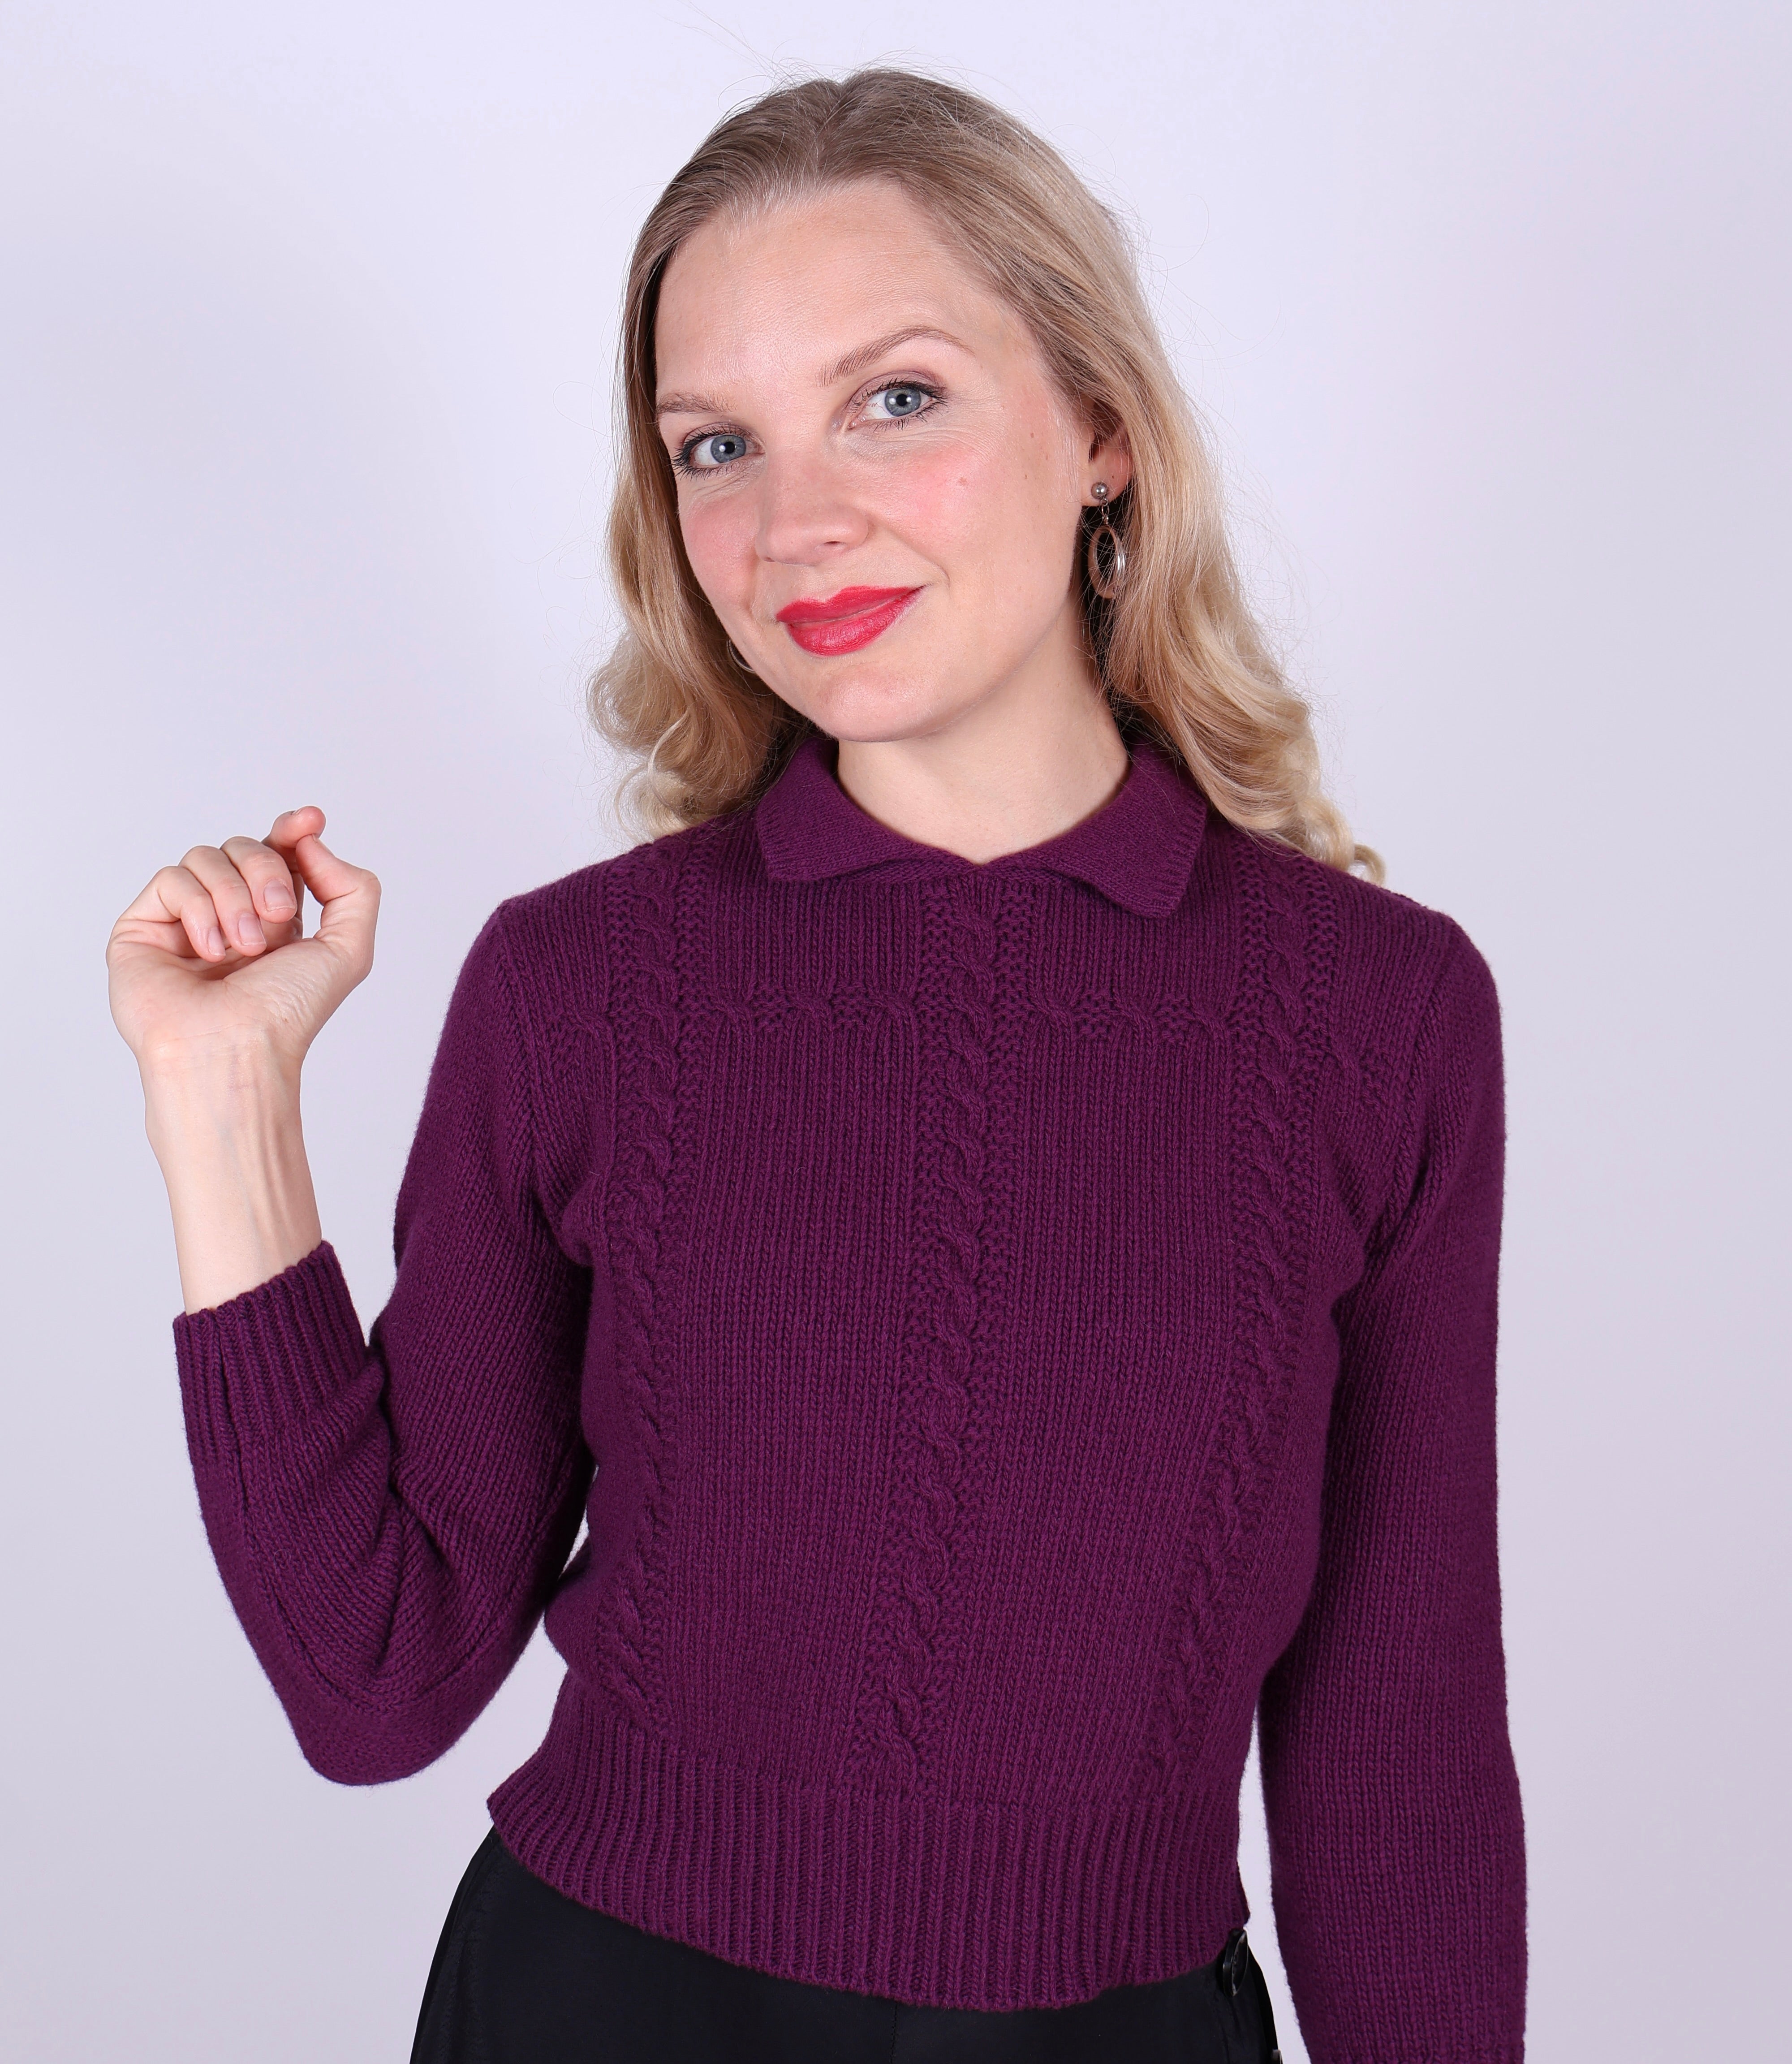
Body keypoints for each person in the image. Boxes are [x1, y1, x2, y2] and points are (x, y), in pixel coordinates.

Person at [106, 68, 1527, 2064]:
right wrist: (222, 1101)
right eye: (718, 444)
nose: (793, 525)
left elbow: (1400, 1734)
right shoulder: (584, 988)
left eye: (897, 398)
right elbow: (376, 1684)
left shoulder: (1376, 1014)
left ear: (1101, 428)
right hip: (596, 2015)